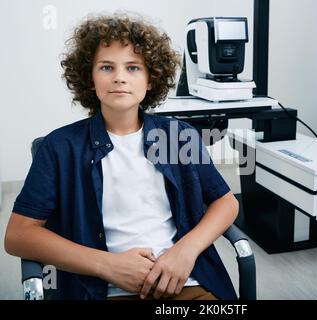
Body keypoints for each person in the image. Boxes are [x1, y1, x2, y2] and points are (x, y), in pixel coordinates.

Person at [4, 12, 239, 300]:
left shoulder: (179, 136)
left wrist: (185, 251)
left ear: (151, 79)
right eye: (106, 67)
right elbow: (18, 235)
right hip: (99, 290)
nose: (118, 78)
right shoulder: (59, 146)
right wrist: (108, 266)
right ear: (89, 79)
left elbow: (226, 202)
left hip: (184, 283)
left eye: (132, 68)